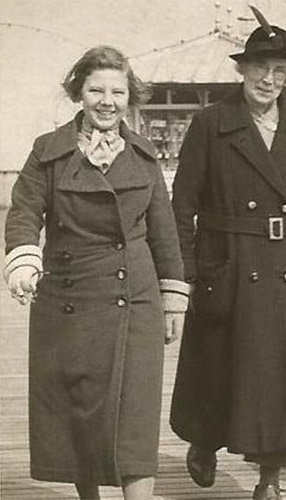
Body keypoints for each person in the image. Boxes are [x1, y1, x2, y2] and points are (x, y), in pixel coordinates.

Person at [2, 46, 189, 500]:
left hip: (136, 301)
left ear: (130, 97)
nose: (108, 101)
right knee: (81, 412)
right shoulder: (48, 152)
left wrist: (173, 297)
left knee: (135, 414)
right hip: (71, 302)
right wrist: (25, 260)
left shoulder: (143, 157)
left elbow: (164, 233)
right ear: (79, 93)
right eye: (97, 90)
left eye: (118, 91)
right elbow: (24, 211)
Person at [168, 15, 286, 500]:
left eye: (279, 70)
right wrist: (186, 272)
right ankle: (204, 441)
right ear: (243, 70)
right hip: (227, 263)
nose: (269, 80)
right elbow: (182, 204)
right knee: (217, 371)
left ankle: (270, 478)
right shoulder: (210, 123)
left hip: (284, 269)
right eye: (260, 68)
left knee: (278, 378)